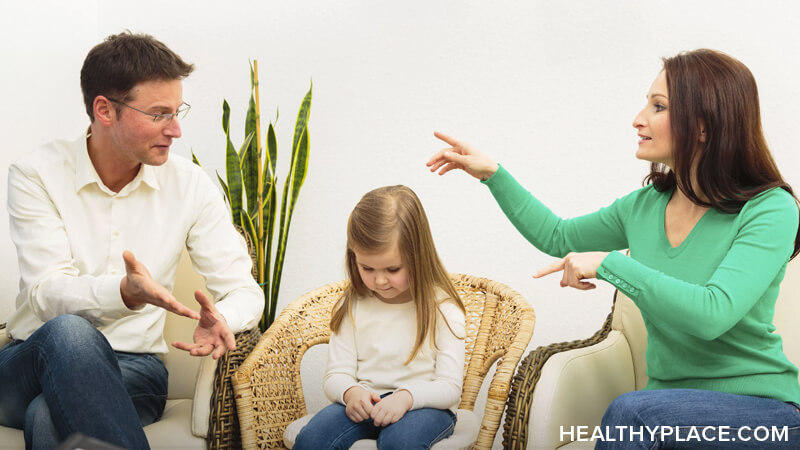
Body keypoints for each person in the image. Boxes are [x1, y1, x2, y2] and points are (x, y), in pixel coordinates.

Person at [427, 49, 800, 448]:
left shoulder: (769, 209)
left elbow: (712, 314)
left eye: (658, 106)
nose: (638, 118)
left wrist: (610, 264)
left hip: (762, 414)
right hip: (664, 409)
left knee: (632, 414)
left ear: (704, 127)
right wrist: (493, 175)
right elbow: (557, 236)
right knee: (639, 414)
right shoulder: (643, 207)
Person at [0, 32, 263, 449]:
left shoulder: (190, 185)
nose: (175, 130)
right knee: (69, 333)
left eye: (178, 112)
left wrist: (223, 318)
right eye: (159, 114)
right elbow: (46, 293)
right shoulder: (37, 174)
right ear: (104, 109)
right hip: (29, 359)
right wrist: (122, 293)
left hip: (134, 368)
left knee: (48, 416)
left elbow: (244, 290)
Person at [293, 185, 466, 450]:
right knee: (312, 439)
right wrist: (352, 393)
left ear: (418, 256)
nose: (380, 280)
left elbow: (450, 387)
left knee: (401, 442)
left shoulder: (443, 308)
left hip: (426, 406)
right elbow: (336, 375)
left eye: (393, 268)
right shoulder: (351, 305)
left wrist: (406, 397)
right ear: (353, 257)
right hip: (367, 401)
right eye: (367, 268)